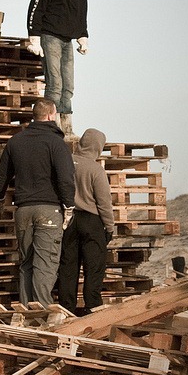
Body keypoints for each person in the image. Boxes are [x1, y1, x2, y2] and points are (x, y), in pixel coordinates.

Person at [0, 98, 76, 305]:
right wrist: (69, 206)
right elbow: (65, 178)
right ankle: (42, 315)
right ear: (50, 115)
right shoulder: (56, 143)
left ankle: (27, 313)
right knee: (45, 264)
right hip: (49, 210)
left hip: (23, 211)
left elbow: (2, 175)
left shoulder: (16, 141)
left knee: (26, 263)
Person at [25, 0, 93, 140]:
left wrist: (83, 36)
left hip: (68, 39)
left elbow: (82, 11)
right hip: (50, 36)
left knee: (68, 85)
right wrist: (34, 37)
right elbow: (35, 8)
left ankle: (67, 129)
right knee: (55, 83)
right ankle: (51, 128)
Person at [57, 128, 115, 315]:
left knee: (68, 267)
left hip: (69, 220)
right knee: (94, 268)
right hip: (92, 222)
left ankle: (66, 310)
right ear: (98, 147)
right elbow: (104, 202)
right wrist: (109, 227)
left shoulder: (66, 163)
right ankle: (92, 308)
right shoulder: (96, 170)